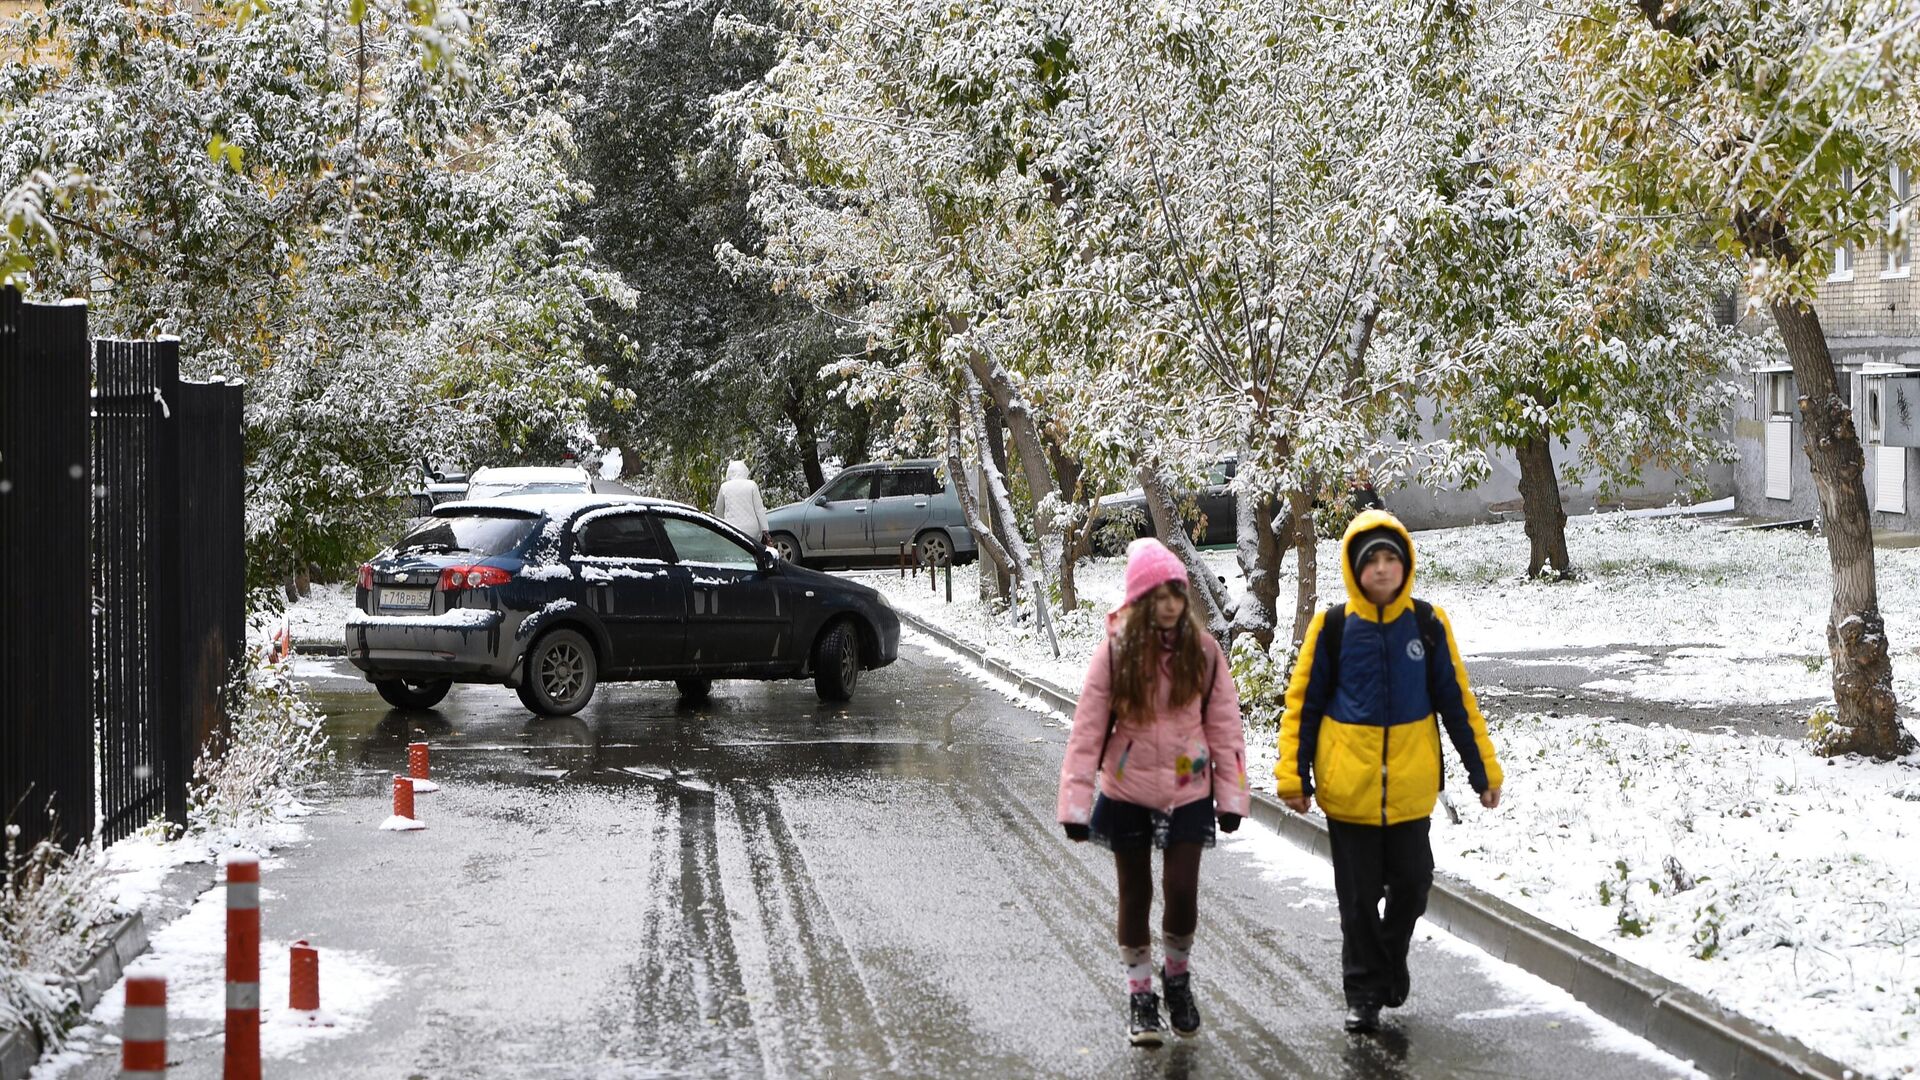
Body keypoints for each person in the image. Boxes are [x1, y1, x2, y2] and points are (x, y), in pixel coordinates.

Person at [1275, 509, 1503, 1034]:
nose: (1381, 569)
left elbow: (1457, 702)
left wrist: (1481, 771)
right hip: (1347, 791)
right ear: (1355, 569)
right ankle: (1362, 994)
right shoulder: (1332, 628)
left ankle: (1391, 956)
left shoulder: (1427, 623)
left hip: (1409, 789)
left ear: (1405, 566)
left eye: (1390, 559)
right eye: (1370, 560)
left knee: (1413, 883)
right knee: (1357, 901)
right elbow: (1302, 706)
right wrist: (1294, 777)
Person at [1058, 538, 1251, 1048]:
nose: (1168, 604)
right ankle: (1141, 995)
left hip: (1190, 789)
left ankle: (1178, 977)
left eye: (1176, 594)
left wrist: (1231, 797)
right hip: (1127, 791)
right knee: (1135, 893)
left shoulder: (1204, 651)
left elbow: (1226, 728)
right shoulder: (1116, 652)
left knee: (1183, 891)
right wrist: (1076, 804)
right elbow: (1087, 730)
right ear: (1140, 600)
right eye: (1158, 595)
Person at [712, 459, 770, 545]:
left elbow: (719, 512)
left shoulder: (724, 487)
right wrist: (765, 529)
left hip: (732, 529)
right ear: (744, 471)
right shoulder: (752, 485)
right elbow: (759, 510)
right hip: (753, 531)